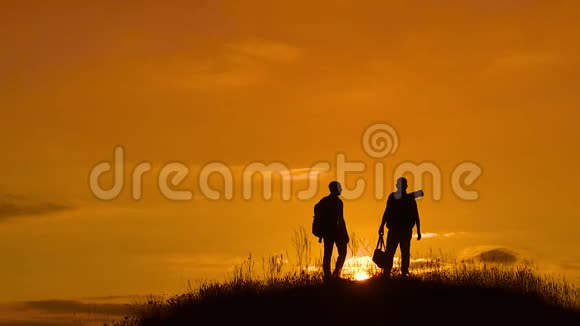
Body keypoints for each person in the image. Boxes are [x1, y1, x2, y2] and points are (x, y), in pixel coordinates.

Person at [378, 177, 422, 277]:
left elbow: (415, 215)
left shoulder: (408, 199)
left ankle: (402, 273)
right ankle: (388, 273)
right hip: (396, 229)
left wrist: (419, 231)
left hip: (403, 230)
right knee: (392, 252)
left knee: (403, 252)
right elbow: (387, 211)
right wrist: (381, 226)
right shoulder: (394, 197)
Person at [318, 181, 349, 280]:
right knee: (336, 253)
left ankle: (332, 275)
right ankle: (333, 275)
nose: (341, 190)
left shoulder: (325, 201)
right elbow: (341, 219)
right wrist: (345, 234)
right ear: (334, 189)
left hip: (330, 232)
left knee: (330, 253)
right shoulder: (336, 202)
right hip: (333, 232)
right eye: (339, 188)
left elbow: (340, 219)